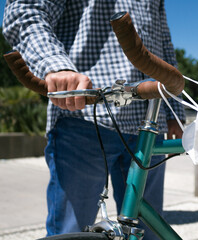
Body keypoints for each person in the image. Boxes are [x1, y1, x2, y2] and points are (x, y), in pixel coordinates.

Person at [2, 1, 185, 239]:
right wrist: (55, 66)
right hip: (83, 116)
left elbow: (164, 42)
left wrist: (175, 111)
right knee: (72, 232)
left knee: (149, 232)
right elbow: (26, 9)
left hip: (151, 122)